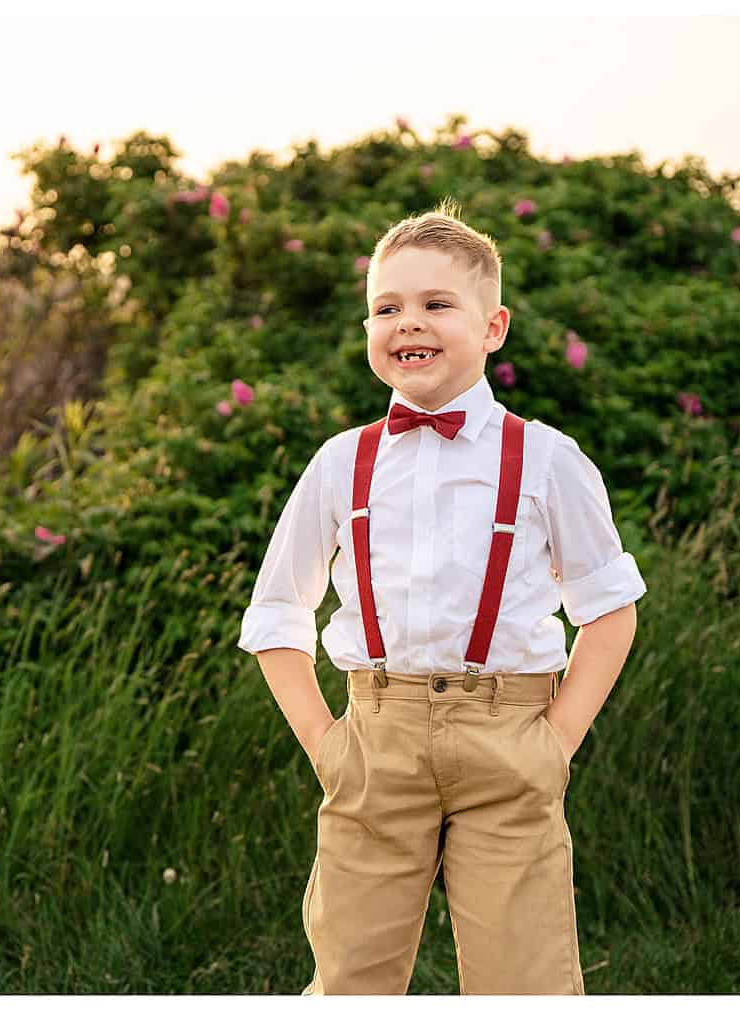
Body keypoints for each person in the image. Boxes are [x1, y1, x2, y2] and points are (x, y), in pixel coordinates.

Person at [236, 199, 646, 995]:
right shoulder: (339, 463)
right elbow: (277, 613)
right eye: (385, 307)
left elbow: (610, 609)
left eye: (435, 304)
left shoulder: (550, 461)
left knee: (523, 979)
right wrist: (327, 743)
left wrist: (555, 743)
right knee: (352, 974)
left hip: (511, 743)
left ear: (493, 327)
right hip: (375, 743)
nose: (407, 323)